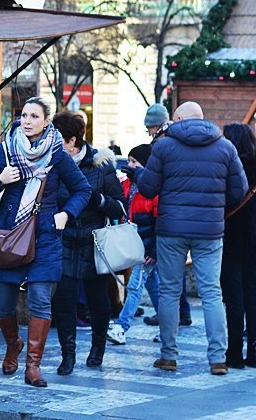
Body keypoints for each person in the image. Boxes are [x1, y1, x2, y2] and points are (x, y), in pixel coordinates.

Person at [0, 97, 91, 388]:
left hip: (45, 238)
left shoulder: (56, 154)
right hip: (10, 236)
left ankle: (33, 366)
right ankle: (13, 344)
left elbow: (82, 189)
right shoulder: (5, 150)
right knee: (4, 305)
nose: (27, 121)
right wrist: (0, 179)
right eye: (24, 115)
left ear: (46, 122)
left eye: (34, 116)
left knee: (41, 301)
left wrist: (66, 214)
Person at [135, 101, 247, 375]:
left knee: (170, 292)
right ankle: (218, 359)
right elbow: (240, 189)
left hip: (171, 230)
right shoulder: (225, 147)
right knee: (212, 293)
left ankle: (169, 355)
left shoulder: (163, 147)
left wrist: (139, 173)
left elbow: (148, 189)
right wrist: (215, 208)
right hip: (209, 231)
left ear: (181, 118)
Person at [50, 112, 126, 375]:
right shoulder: (54, 163)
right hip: (65, 240)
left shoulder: (100, 164)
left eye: (58, 139)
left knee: (98, 300)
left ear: (72, 141)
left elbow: (120, 208)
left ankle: (97, 349)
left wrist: (98, 201)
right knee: (64, 300)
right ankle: (67, 355)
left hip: (95, 242)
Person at [141, 103, 192, 327]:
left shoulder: (162, 144)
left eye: (150, 128)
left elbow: (153, 184)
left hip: (169, 216)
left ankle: (169, 324)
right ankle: (182, 313)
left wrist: (139, 176)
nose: (149, 133)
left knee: (168, 276)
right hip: (196, 220)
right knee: (205, 287)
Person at [107, 144, 161, 345]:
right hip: (134, 243)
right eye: (128, 161)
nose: (129, 165)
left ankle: (121, 326)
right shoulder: (127, 185)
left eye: (134, 162)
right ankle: (167, 327)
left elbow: (159, 221)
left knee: (135, 285)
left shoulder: (154, 191)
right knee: (153, 286)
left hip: (146, 247)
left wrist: (153, 250)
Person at [220, 123, 256, 368]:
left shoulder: (227, 168)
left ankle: (234, 352)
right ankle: (255, 352)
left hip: (230, 238)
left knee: (233, 298)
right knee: (254, 295)